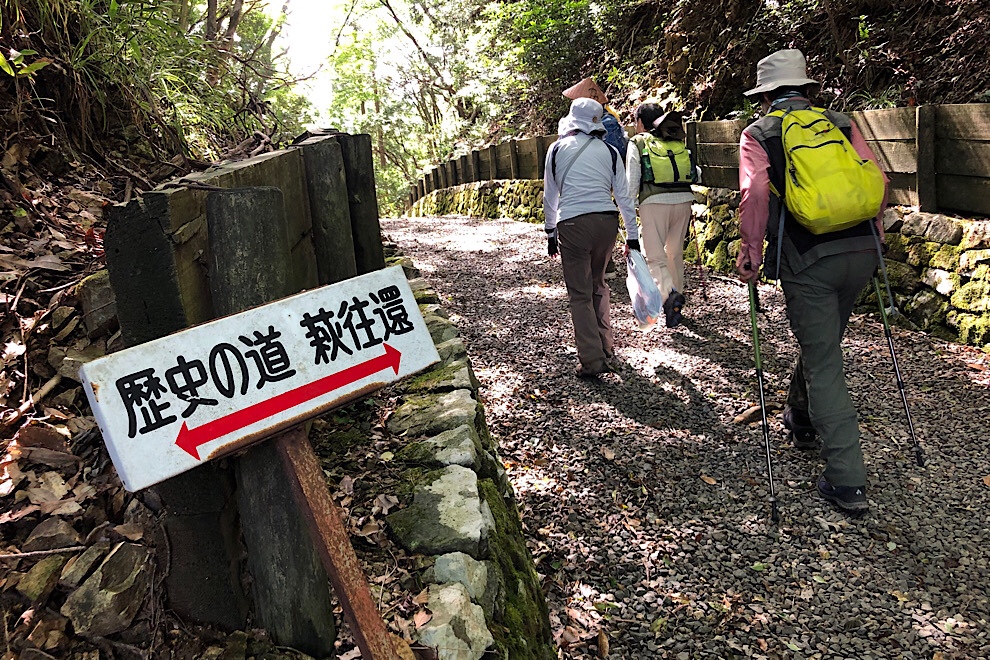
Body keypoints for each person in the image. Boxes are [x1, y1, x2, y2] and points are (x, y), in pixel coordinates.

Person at [735, 49, 889, 514]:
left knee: (824, 358)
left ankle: (847, 480)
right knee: (823, 341)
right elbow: (877, 177)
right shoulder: (840, 123)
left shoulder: (760, 133)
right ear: (806, 88)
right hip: (861, 251)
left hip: (808, 258)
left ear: (765, 95)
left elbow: (756, 194)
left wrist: (750, 253)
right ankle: (800, 416)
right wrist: (877, 236)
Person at [544, 97, 639, 377]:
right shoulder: (610, 151)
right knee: (599, 284)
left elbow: (551, 196)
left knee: (579, 294)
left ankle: (591, 360)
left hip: (572, 224)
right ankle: (607, 348)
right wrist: (631, 237)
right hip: (606, 223)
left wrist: (550, 230)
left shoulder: (557, 149)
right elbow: (623, 197)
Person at [625, 104, 696, 327]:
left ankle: (669, 296)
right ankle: (677, 303)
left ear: (639, 123)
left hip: (653, 202)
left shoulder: (638, 142)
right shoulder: (675, 141)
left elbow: (631, 181)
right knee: (675, 253)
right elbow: (696, 172)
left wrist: (632, 206)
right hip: (683, 200)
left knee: (655, 257)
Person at [562, 77, 628, 280]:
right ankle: (604, 261)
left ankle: (597, 262)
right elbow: (620, 149)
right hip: (607, 171)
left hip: (585, 173)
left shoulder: (570, 124)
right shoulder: (610, 118)